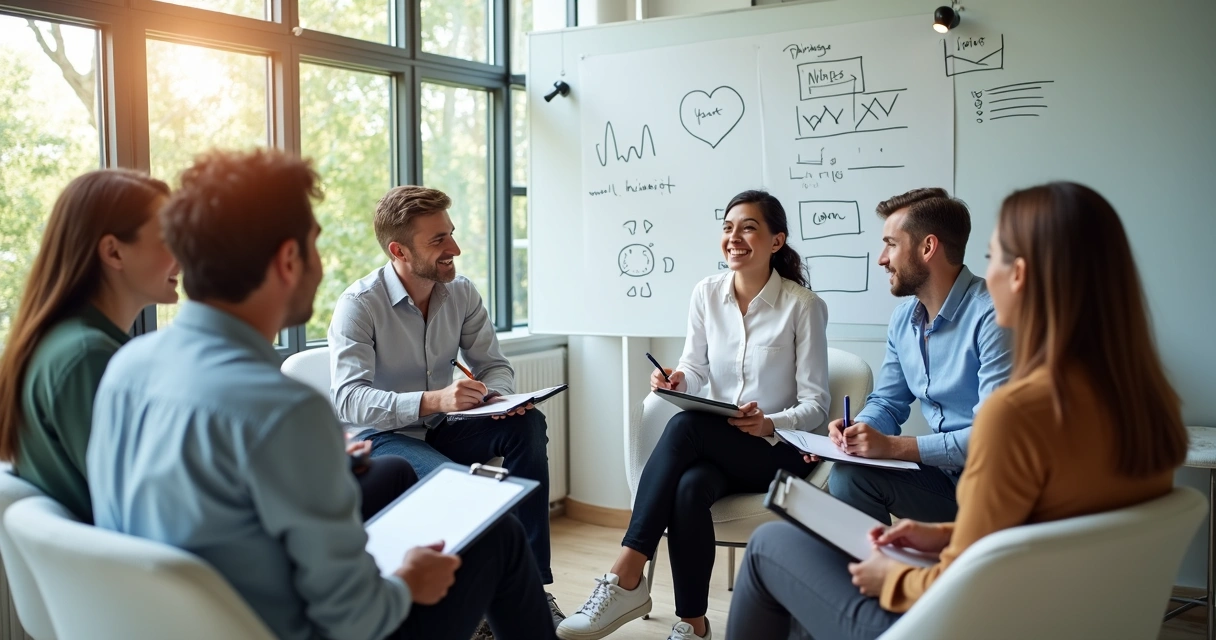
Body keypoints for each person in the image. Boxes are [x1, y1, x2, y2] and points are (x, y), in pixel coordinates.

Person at [87, 149, 557, 640]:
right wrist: (407, 580)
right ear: (290, 259)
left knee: (428, 483)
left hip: (175, 624)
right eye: (314, 244)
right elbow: (356, 616)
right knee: (496, 533)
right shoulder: (284, 410)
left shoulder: (125, 368)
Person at [726, 181, 1190, 639]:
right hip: (1050, 610)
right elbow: (1045, 527)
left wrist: (890, 576)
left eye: (995, 257)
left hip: (967, 621)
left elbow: (961, 584)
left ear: (1020, 274)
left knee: (770, 545)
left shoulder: (1018, 410)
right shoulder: (1151, 404)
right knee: (841, 498)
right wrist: (946, 532)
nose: (883, 257)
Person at [557, 190, 831, 640]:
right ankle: (693, 623)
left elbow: (816, 406)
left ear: (776, 241)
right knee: (689, 487)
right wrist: (677, 380)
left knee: (684, 426)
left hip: (778, 452)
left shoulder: (802, 306)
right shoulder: (706, 293)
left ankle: (627, 573)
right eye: (727, 227)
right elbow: (696, 368)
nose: (734, 237)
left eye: (748, 227)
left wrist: (771, 423)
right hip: (721, 446)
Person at [328, 185, 564, 627]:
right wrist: (434, 399)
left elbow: (494, 365)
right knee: (463, 491)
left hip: (444, 427)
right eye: (438, 240)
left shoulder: (462, 294)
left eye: (450, 234)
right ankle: (475, 606)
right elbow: (348, 398)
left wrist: (496, 397)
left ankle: (533, 583)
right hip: (383, 441)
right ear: (398, 250)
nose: (454, 248)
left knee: (527, 424)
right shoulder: (358, 306)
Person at [821, 188, 1012, 524]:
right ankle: (880, 573)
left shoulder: (994, 317)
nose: (882, 258)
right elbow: (888, 401)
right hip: (943, 479)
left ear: (927, 247)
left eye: (891, 244)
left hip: (994, 486)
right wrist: (858, 432)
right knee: (847, 475)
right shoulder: (903, 318)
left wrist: (894, 447)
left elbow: (992, 438)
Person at [0, 169, 177, 523]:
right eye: (168, 240)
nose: (183, 257)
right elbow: (150, 512)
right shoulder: (88, 358)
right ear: (113, 252)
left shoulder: (64, 345)